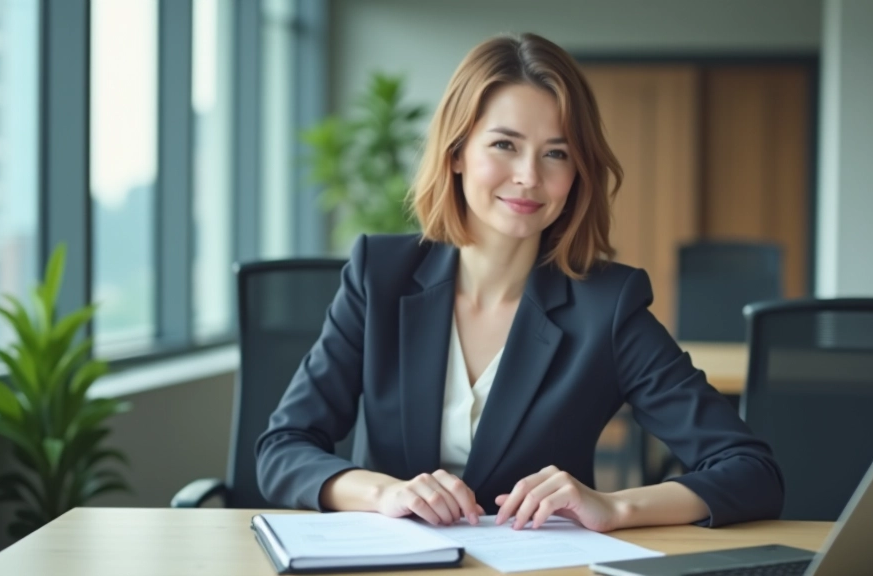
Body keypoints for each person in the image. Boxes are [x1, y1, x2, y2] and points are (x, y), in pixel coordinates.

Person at [255, 32, 783, 533]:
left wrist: (615, 506)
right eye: (505, 145)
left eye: (556, 153)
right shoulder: (380, 276)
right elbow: (283, 447)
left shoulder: (606, 307)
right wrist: (381, 494)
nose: (530, 175)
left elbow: (750, 470)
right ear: (457, 152)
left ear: (578, 172)